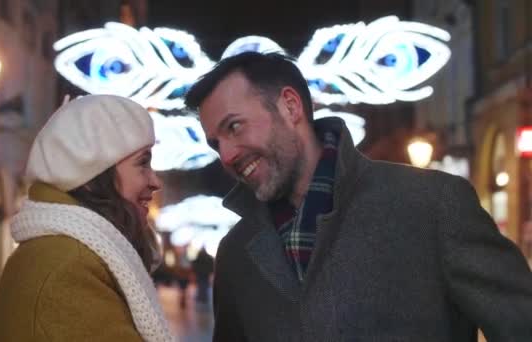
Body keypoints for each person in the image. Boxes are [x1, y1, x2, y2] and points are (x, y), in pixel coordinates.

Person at [184, 52, 532, 341]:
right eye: (216, 144)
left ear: (290, 107)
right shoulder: (236, 253)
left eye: (234, 127)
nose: (227, 155)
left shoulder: (431, 205)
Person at [0, 95, 174, 342]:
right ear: (94, 170)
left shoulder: (69, 254)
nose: (155, 181)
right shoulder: (68, 269)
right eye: (143, 163)